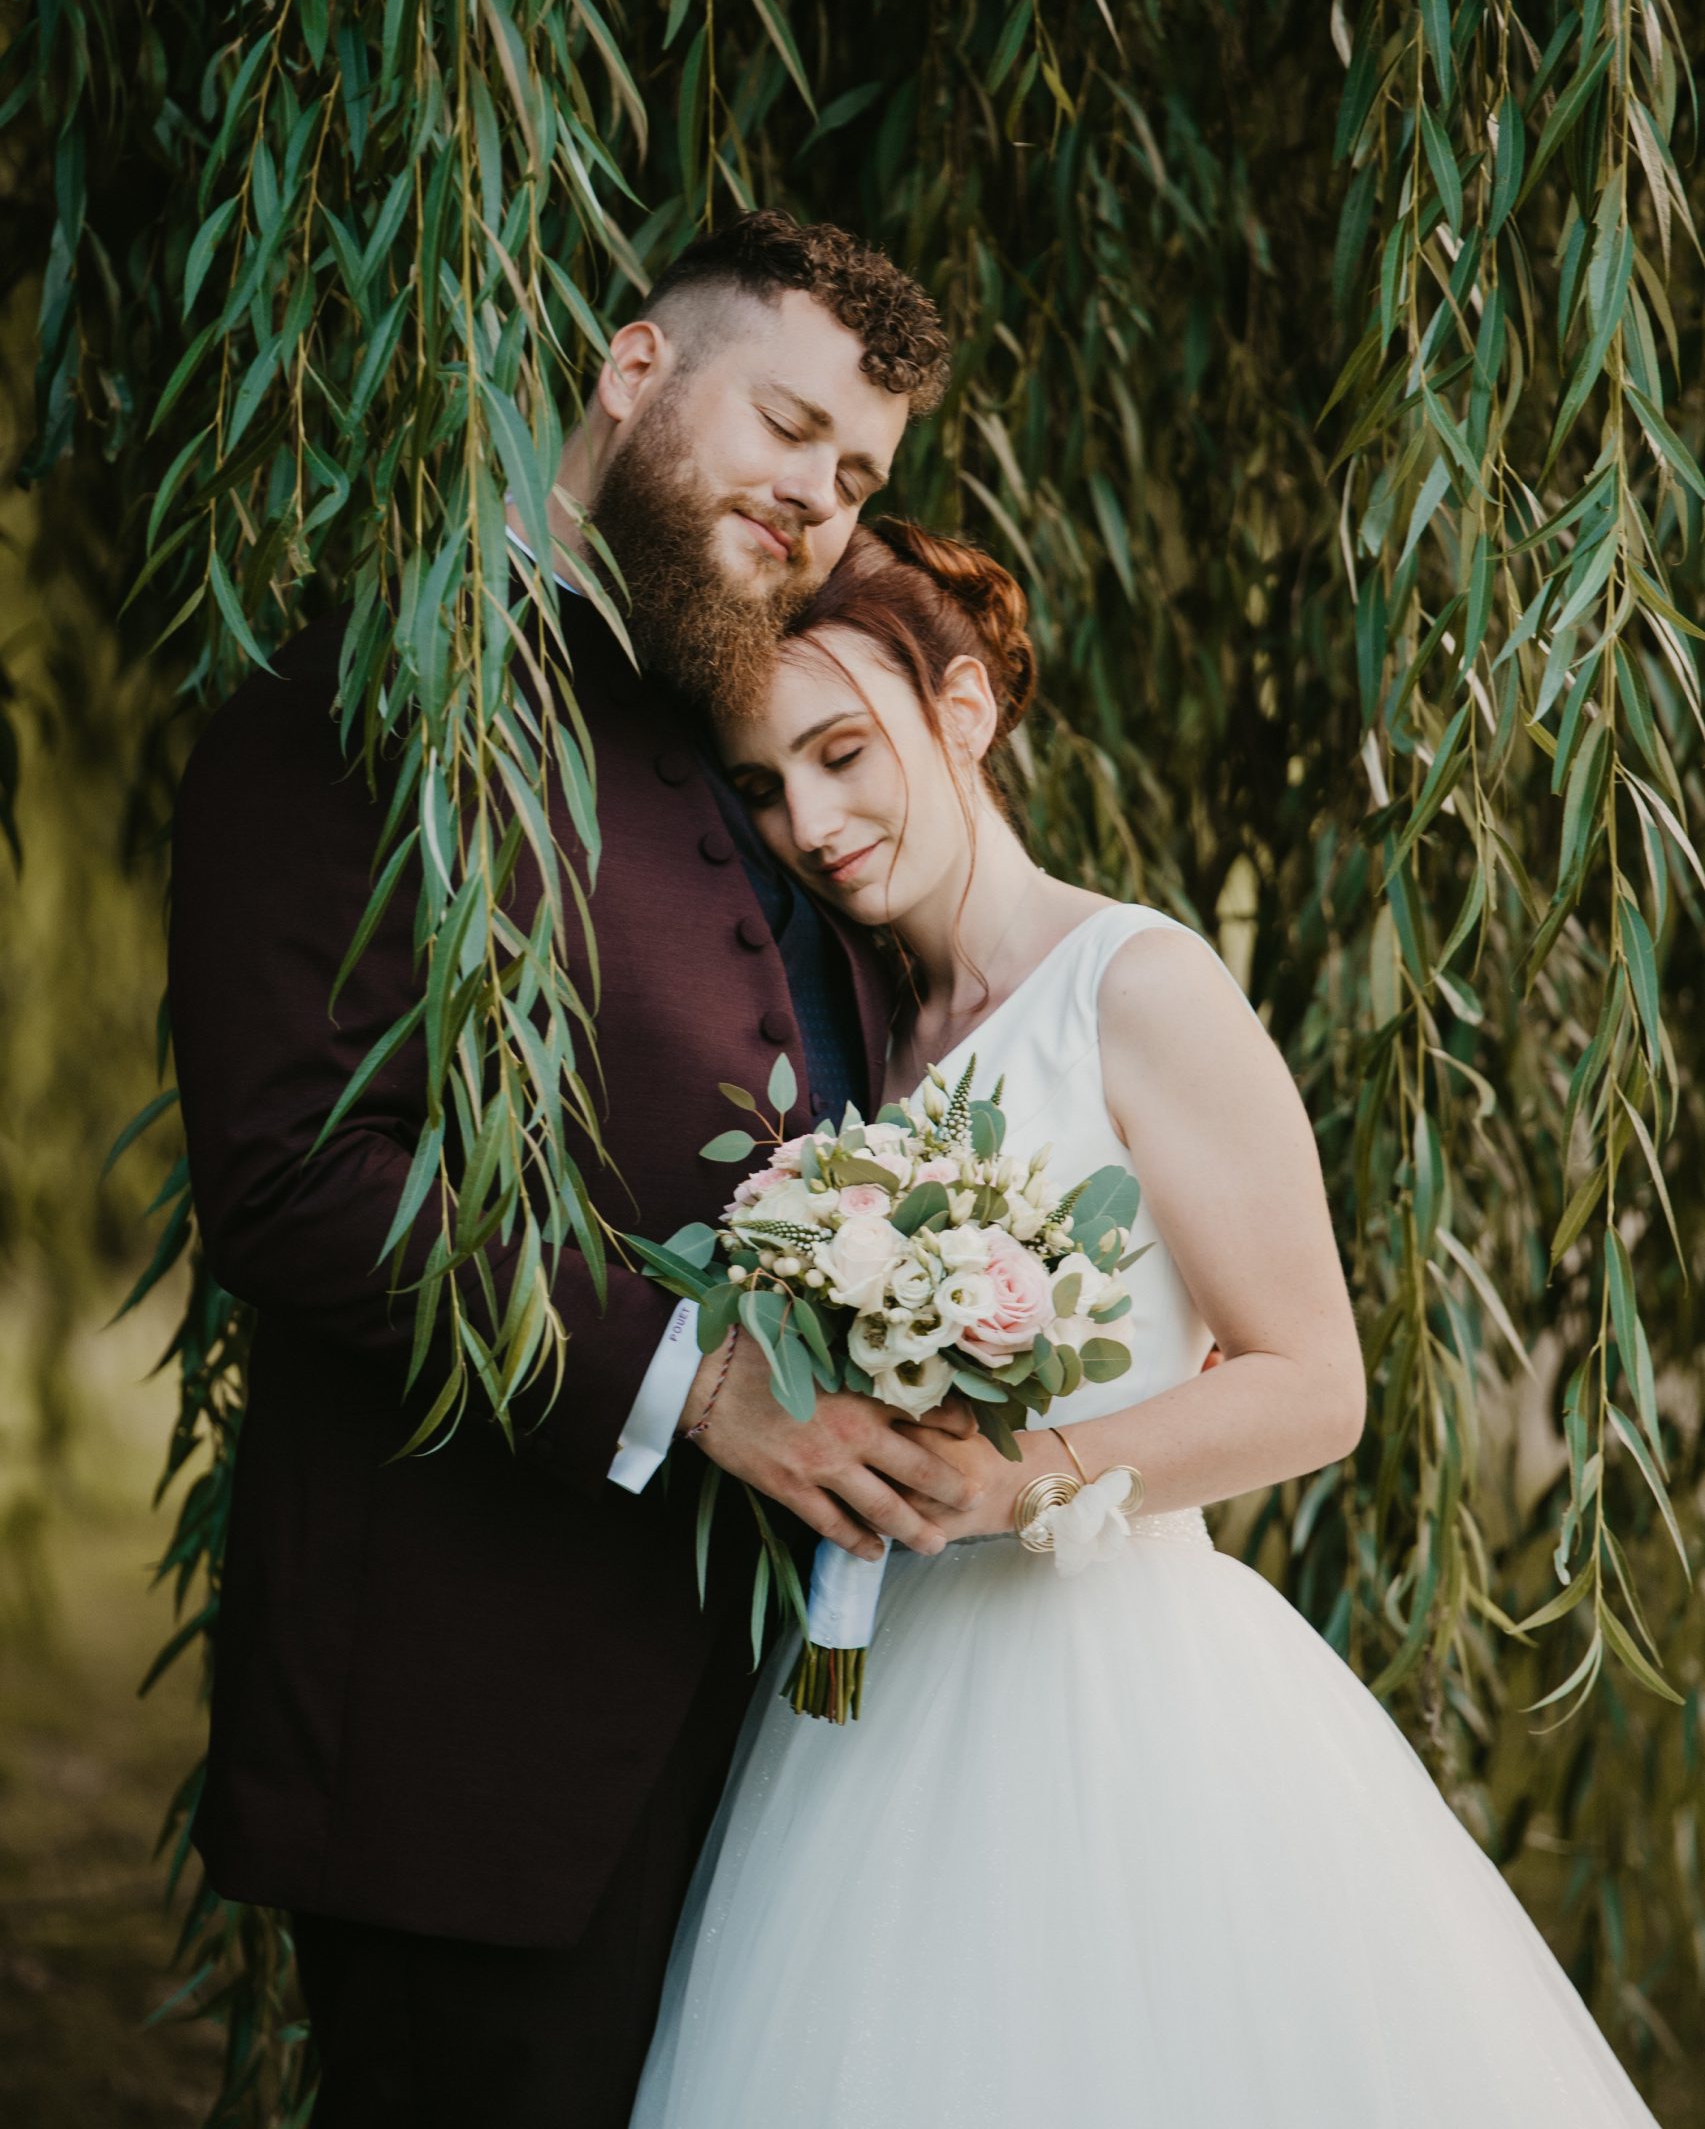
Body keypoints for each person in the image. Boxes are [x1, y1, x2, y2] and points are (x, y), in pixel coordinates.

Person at [629, 517, 1666, 2129]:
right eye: (763, 788)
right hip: (872, 1681)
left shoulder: (1135, 983)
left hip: (1101, 1679)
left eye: (842, 754)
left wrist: (1012, 1480)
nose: (809, 826)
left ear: (962, 710)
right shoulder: (862, 1034)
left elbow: (1313, 1386)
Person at [166, 214, 982, 2129]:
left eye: (859, 475)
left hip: (767, 1733)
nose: (820, 498)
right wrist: (697, 1382)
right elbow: (288, 1176)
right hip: (468, 1720)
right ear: (632, 371)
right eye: (788, 426)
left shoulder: (763, 745)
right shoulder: (359, 706)